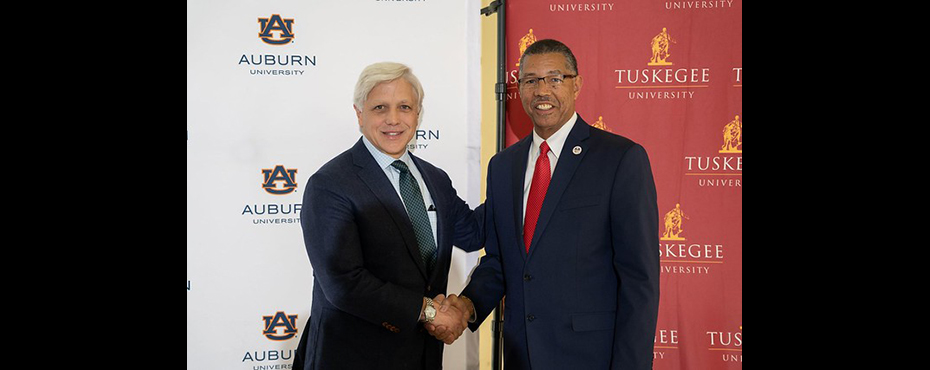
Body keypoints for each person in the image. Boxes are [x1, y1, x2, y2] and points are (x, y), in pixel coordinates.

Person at [436, 39, 660, 369]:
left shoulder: (619, 159)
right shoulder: (503, 166)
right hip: (521, 355)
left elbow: (639, 280)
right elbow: (501, 261)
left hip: (591, 358)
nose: (543, 91)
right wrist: (466, 306)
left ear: (576, 85)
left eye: (555, 79)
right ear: (520, 89)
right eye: (531, 80)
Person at [294, 62, 482, 370]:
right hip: (351, 357)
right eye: (380, 107)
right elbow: (344, 284)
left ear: (417, 114)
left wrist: (516, 181)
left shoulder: (435, 179)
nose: (393, 119)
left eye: (404, 107)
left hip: (423, 356)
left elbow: (475, 232)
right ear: (359, 114)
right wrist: (431, 312)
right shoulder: (330, 184)